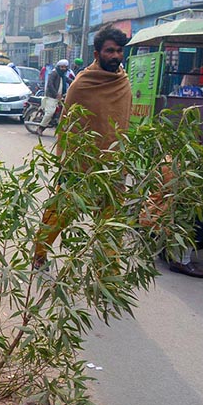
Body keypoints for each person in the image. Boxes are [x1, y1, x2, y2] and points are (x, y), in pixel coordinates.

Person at [33, 26, 131, 269]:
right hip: (81, 163)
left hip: (113, 164)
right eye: (110, 51)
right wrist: (67, 161)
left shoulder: (123, 81)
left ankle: (108, 267)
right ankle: (39, 253)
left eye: (119, 51)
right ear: (97, 54)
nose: (116, 56)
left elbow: (123, 122)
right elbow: (68, 127)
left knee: (110, 219)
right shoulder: (83, 83)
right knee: (60, 213)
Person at [35, 59, 70, 136]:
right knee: (50, 113)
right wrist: (56, 94)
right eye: (62, 67)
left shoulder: (63, 75)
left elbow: (69, 80)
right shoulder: (54, 73)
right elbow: (50, 85)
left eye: (65, 67)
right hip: (52, 96)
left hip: (60, 97)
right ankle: (40, 128)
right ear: (58, 67)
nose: (63, 69)